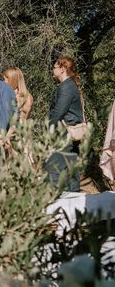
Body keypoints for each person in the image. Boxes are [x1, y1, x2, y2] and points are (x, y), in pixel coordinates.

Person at [46, 56, 84, 191]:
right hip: (69, 134)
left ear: (62, 69)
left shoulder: (66, 87)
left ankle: (53, 205)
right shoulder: (70, 85)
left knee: (53, 171)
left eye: (55, 67)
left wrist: (49, 129)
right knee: (71, 172)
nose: (52, 69)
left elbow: (58, 113)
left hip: (64, 134)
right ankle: (74, 205)